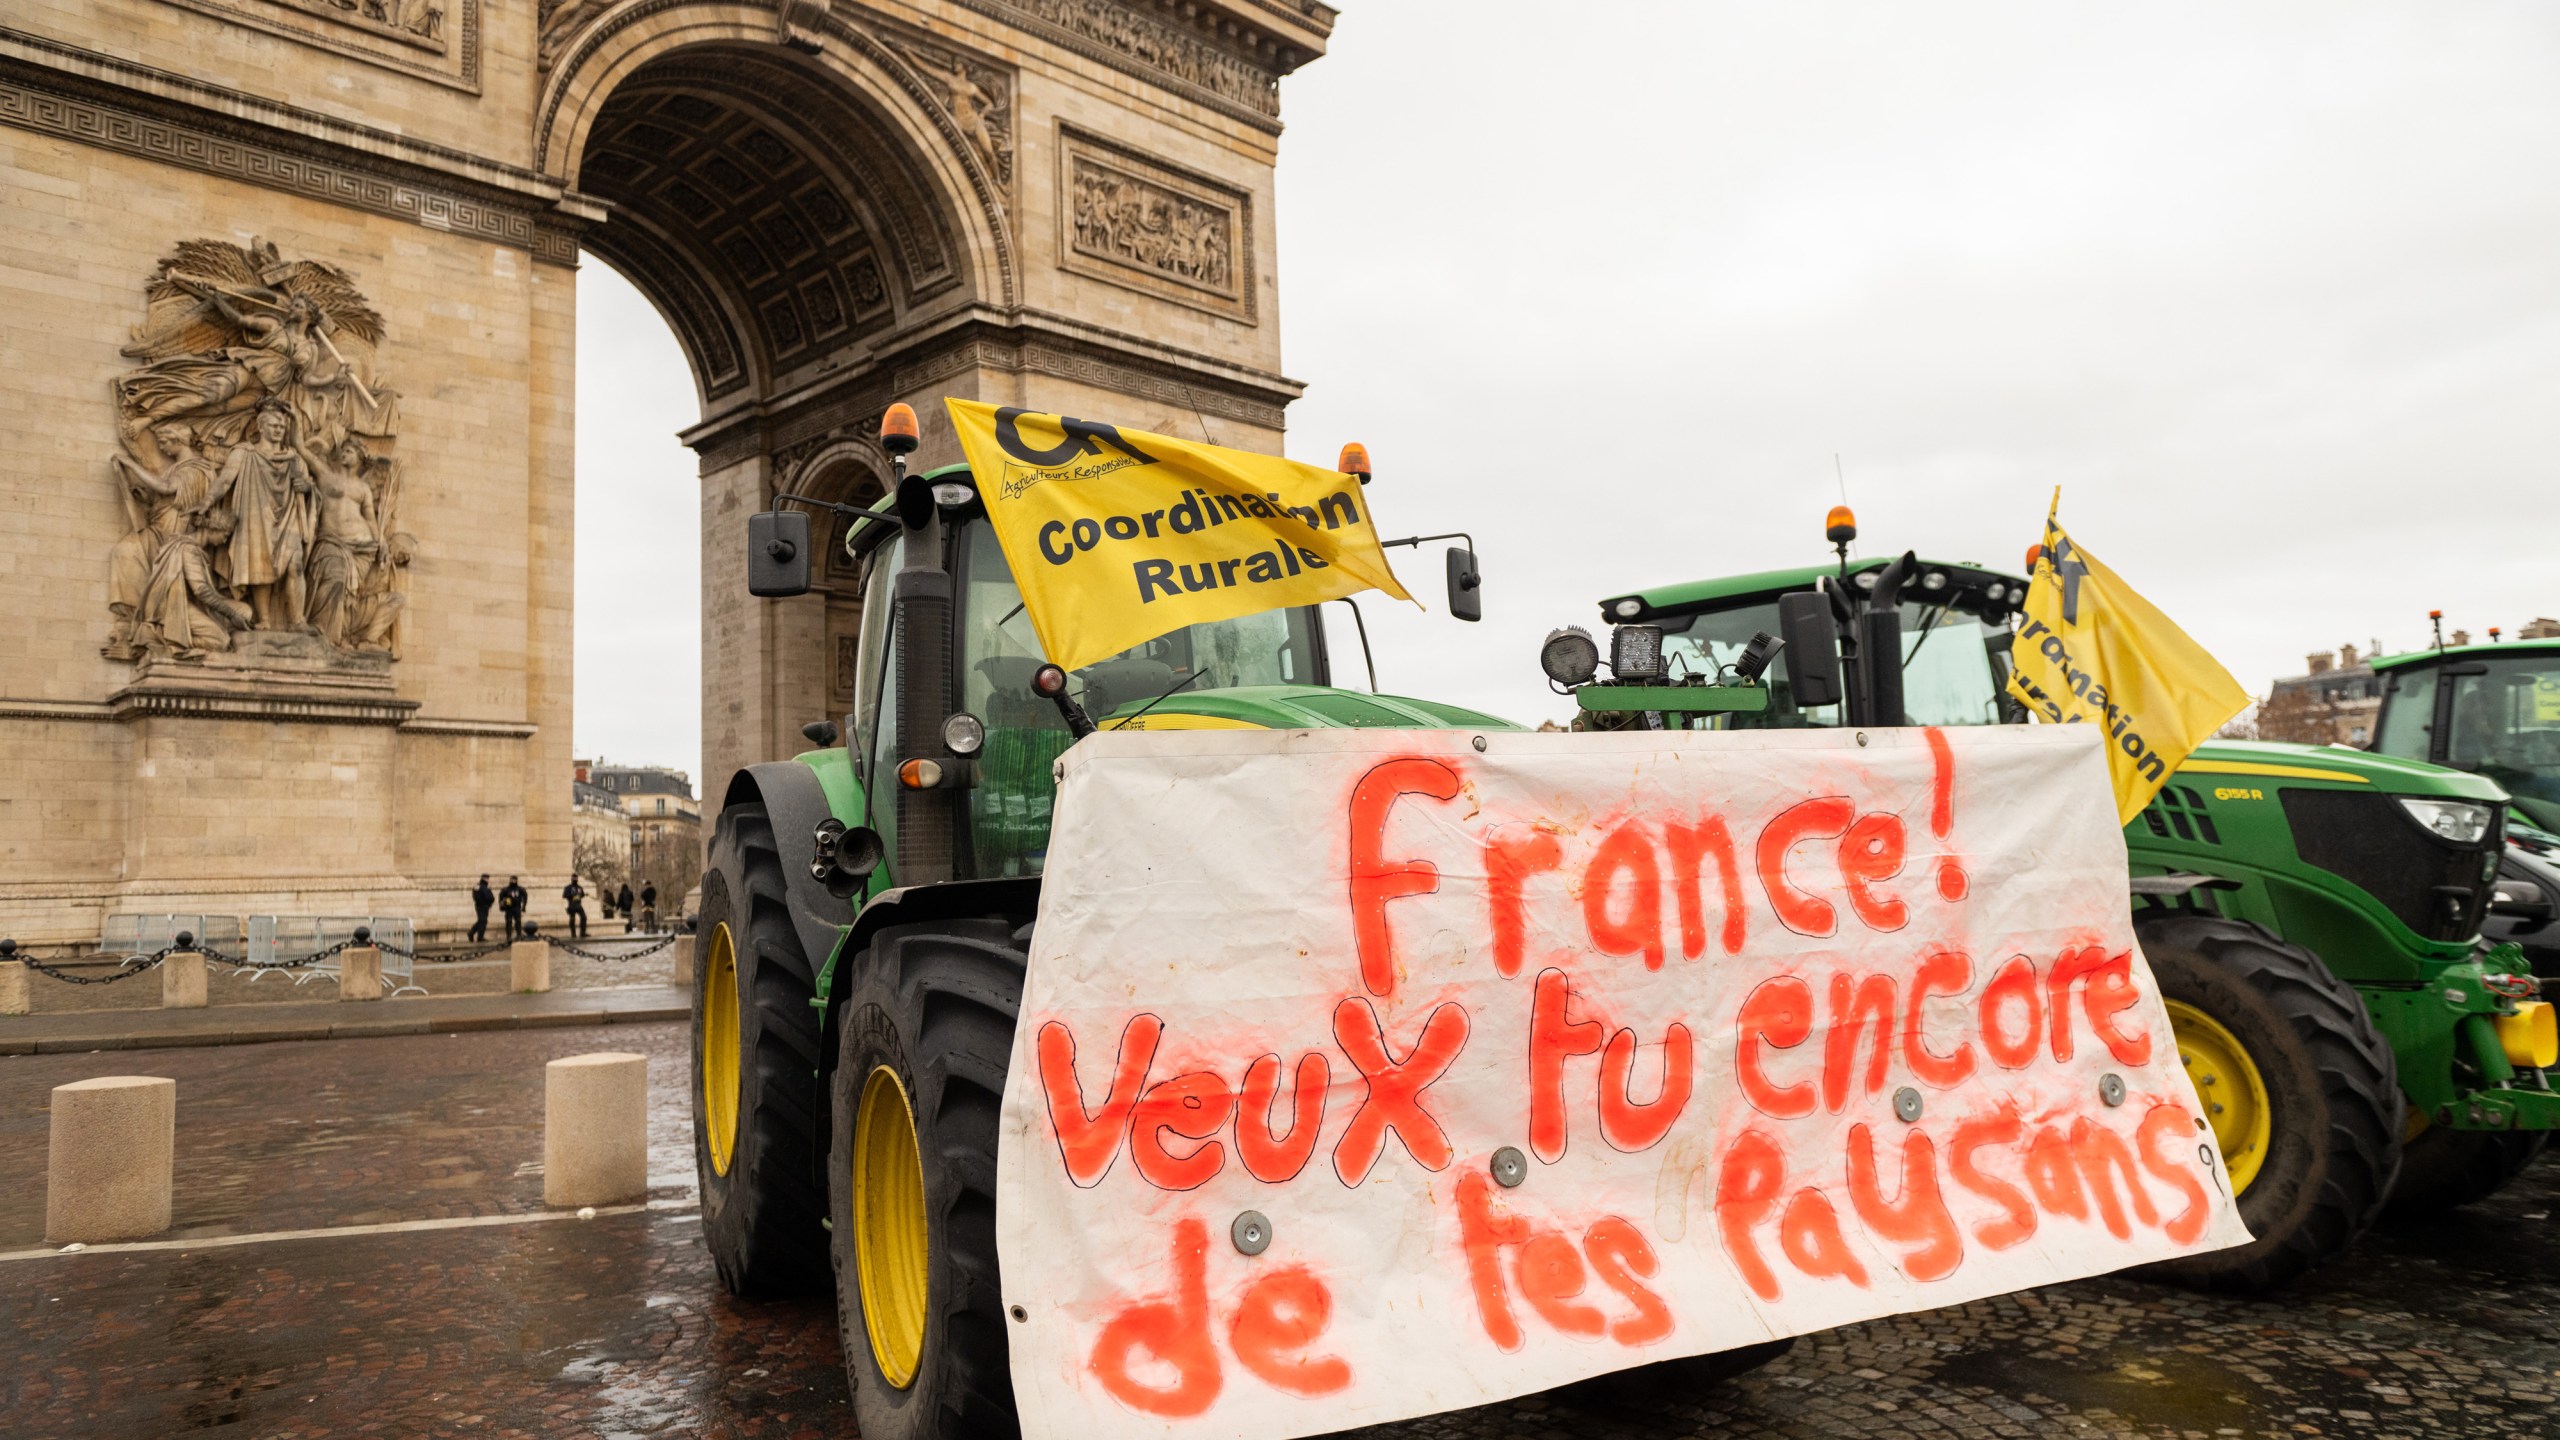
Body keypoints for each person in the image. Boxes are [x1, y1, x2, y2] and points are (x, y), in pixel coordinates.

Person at [499, 875, 528, 941]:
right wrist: (501, 906)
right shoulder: (506, 889)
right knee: (508, 922)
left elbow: (525, 897)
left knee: (518, 921)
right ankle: (509, 936)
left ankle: (519, 935)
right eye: (512, 880)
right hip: (508, 908)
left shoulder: (520, 889)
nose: (513, 881)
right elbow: (500, 898)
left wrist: (524, 907)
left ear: (516, 881)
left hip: (517, 907)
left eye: (514, 880)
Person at [469, 874, 494, 943]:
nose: (488, 880)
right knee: (483, 921)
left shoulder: (482, 886)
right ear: (484, 879)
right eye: (487, 879)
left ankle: (474, 934)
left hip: (482, 906)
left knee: (482, 921)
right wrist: (486, 902)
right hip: (482, 906)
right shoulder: (481, 887)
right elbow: (488, 897)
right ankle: (478, 936)